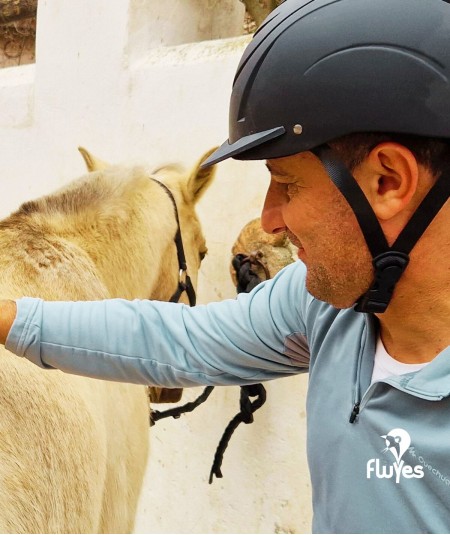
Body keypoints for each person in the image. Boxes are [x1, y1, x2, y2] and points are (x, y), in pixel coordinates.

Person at [1, 0, 449, 532]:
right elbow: (183, 339)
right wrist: (9, 317)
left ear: (387, 182)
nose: (269, 218)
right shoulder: (324, 309)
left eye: (288, 183)